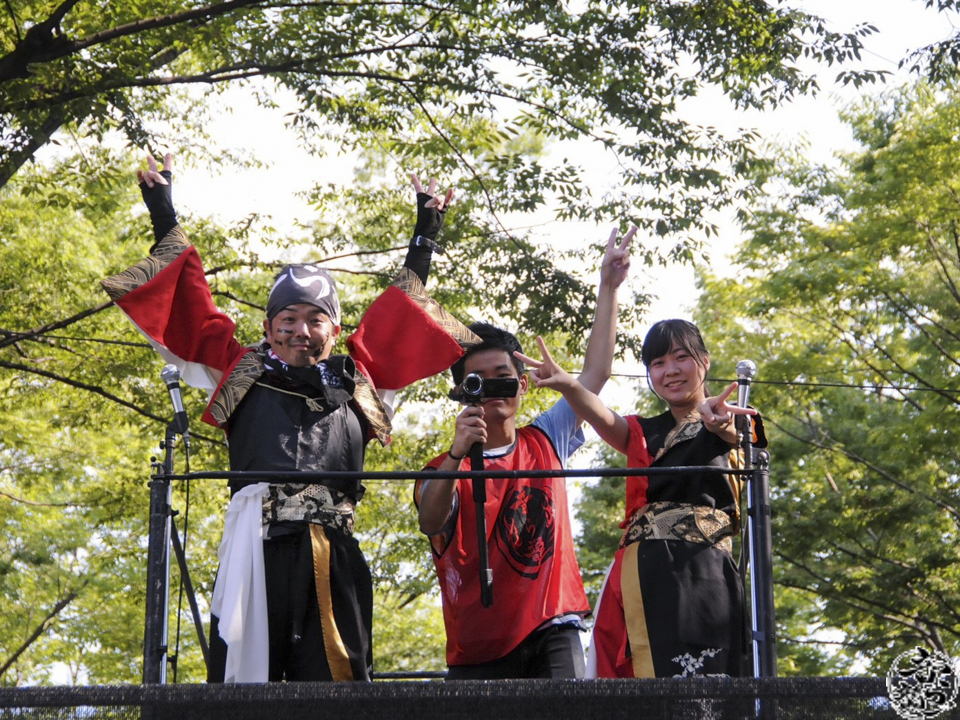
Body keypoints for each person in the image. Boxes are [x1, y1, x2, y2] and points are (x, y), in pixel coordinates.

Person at [101, 154, 476, 683]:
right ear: (267, 326)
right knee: (244, 689)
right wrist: (163, 211)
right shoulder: (239, 370)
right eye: (289, 318)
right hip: (254, 551)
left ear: (336, 329)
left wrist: (425, 234)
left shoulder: (360, 380)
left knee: (337, 688)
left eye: (316, 319)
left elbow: (397, 316)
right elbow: (192, 307)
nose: (302, 330)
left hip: (333, 550)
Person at [414, 227, 635, 679]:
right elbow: (430, 520)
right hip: (478, 643)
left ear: (522, 383)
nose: (493, 388)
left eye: (502, 375)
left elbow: (595, 374)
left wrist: (608, 286)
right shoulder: (441, 468)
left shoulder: (546, 437)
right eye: (478, 381)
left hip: (554, 623)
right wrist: (457, 454)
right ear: (460, 392)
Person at [516, 319, 767, 678]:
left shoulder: (736, 416)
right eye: (658, 363)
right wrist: (569, 384)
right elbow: (599, 414)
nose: (670, 370)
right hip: (640, 573)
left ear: (705, 360)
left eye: (681, 357)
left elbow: (748, 440)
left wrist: (722, 424)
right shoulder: (642, 432)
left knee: (707, 681)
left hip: (705, 573)